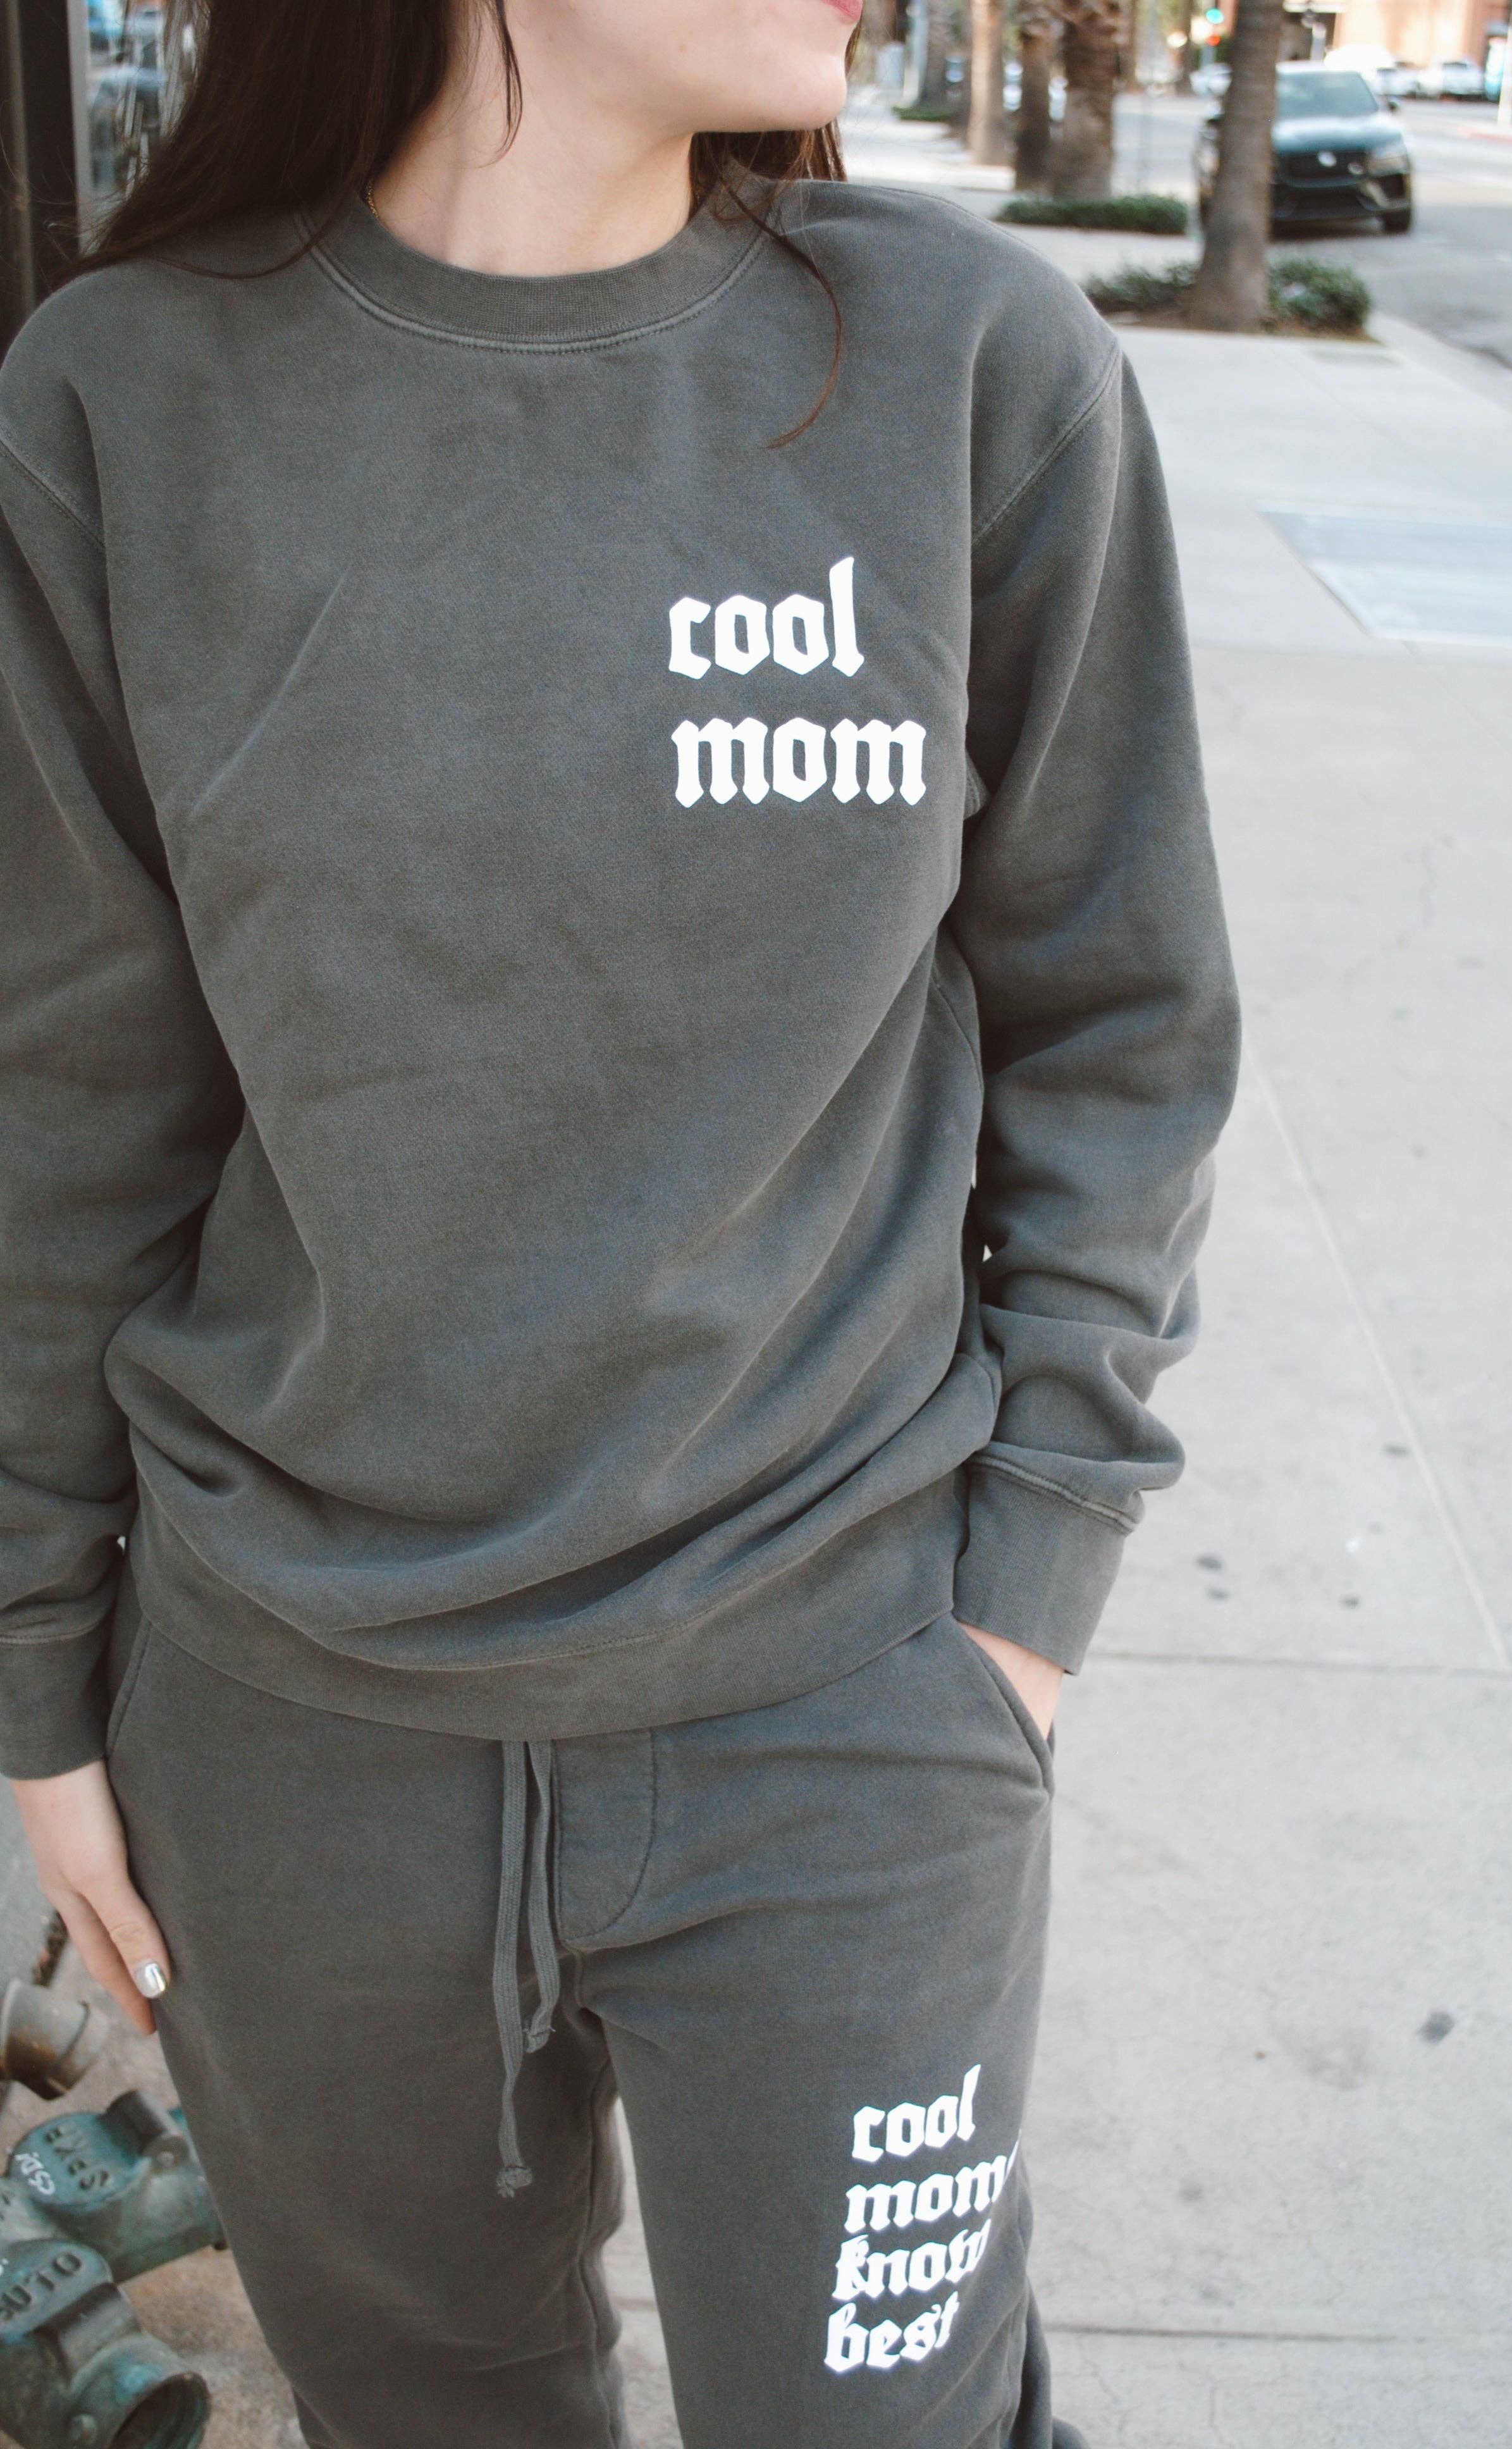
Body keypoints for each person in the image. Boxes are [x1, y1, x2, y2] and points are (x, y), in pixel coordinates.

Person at [0, 1, 1239, 2441]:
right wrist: (42, 1679)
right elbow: (69, 1106)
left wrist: (1026, 1597)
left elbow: (1127, 1017)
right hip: (295, 1745)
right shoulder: (124, 404)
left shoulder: (970, 369)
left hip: (849, 1711)